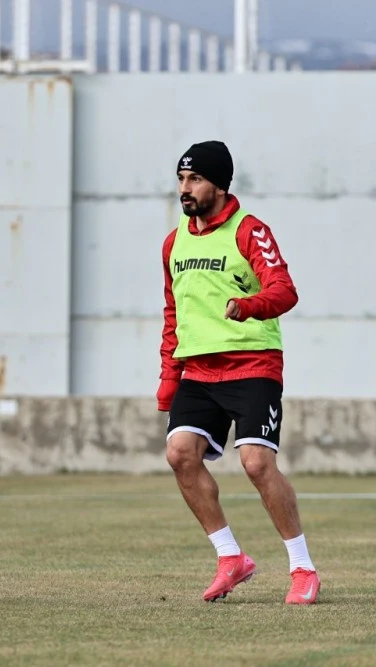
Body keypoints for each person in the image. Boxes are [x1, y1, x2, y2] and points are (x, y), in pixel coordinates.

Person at [157, 140, 320, 604]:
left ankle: (303, 568)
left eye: (195, 179)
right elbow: (173, 314)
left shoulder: (250, 231)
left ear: (220, 185)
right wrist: (169, 379)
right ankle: (231, 557)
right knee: (179, 454)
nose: (185, 188)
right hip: (198, 370)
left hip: (252, 364)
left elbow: (284, 290)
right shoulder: (173, 243)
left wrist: (248, 306)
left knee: (255, 463)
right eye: (181, 179)